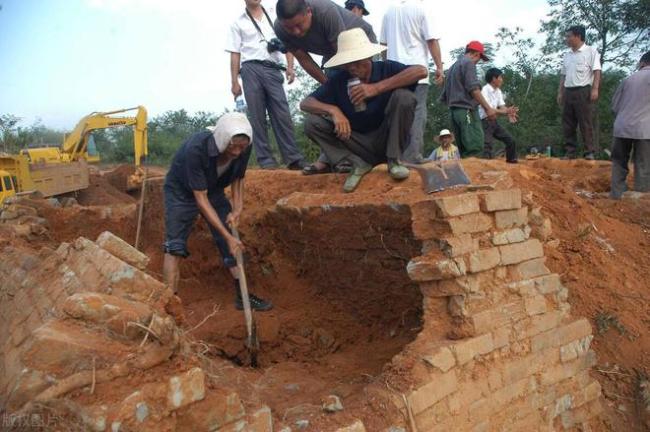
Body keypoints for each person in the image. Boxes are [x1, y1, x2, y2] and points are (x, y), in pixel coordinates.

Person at [162, 113, 272, 311]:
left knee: (230, 239)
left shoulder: (244, 146)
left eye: (242, 147)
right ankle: (169, 303)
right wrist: (228, 238)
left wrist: (237, 209)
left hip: (213, 190)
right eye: (233, 146)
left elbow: (238, 178)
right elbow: (201, 199)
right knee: (175, 245)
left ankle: (243, 296)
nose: (237, 152)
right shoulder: (196, 148)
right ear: (222, 138)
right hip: (181, 192)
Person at [300, 28, 427, 192]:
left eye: (357, 61)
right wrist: (333, 110)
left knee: (405, 97)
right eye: (348, 63)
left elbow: (421, 71)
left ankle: (394, 160)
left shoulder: (386, 69)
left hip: (387, 138)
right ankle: (356, 163)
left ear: (368, 56)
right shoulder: (339, 80)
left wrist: (376, 88)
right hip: (358, 144)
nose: (352, 67)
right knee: (312, 122)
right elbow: (305, 103)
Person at [274, 0, 377, 175]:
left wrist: (339, 91)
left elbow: (345, 56)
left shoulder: (325, 11)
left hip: (357, 44)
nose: (296, 32)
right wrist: (330, 87)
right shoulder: (280, 27)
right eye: (290, 28)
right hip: (331, 52)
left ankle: (371, 153)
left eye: (299, 25)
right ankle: (337, 158)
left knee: (357, 97)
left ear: (309, 12)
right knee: (331, 105)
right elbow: (304, 59)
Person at [226, 0, 306, 170]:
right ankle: (266, 160)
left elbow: (288, 40)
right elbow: (235, 53)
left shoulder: (275, 13)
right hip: (250, 69)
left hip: (273, 68)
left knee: (282, 113)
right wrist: (234, 82)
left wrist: (290, 66)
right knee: (257, 116)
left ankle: (293, 158)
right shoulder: (237, 23)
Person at [380, 0, 444, 163]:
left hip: (394, 72)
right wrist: (439, 67)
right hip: (417, 71)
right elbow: (431, 40)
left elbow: (383, 45)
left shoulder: (388, 12)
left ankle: (395, 157)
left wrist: (387, 70)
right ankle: (413, 156)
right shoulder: (421, 9)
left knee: (396, 113)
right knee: (417, 112)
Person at [440, 41, 496, 157]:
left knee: (464, 149)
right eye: (479, 58)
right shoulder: (469, 64)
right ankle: (473, 175)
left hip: (454, 113)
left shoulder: (452, 67)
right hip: (467, 111)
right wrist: (488, 108)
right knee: (474, 147)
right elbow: (474, 89)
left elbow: (444, 94)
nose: (477, 62)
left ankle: (464, 174)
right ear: (475, 54)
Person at [557, 25, 601, 160]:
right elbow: (563, 75)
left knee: (585, 122)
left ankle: (589, 151)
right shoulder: (567, 55)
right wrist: (560, 92)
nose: (567, 39)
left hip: (583, 90)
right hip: (568, 90)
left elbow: (597, 71)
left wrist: (595, 88)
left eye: (569, 36)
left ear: (578, 36)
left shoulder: (591, 51)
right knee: (568, 123)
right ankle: (570, 152)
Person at [609, 51, 650, 199]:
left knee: (619, 163)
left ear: (642, 63)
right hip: (645, 130)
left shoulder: (627, 79)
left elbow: (614, 106)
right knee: (643, 165)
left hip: (621, 127)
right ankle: (639, 201)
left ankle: (616, 196)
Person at [479, 67, 519, 163]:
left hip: (494, 122)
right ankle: (485, 166)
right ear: (494, 79)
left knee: (510, 140)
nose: (502, 80)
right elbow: (489, 109)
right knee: (487, 145)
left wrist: (509, 111)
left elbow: (502, 107)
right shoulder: (485, 90)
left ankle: (511, 161)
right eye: (500, 77)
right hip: (484, 122)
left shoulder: (498, 91)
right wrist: (505, 112)